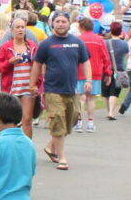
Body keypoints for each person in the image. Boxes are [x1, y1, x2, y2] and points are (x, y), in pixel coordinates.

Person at [29, 11, 89, 169]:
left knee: (72, 120)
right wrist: (33, 84)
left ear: (69, 23)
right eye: (58, 21)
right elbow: (37, 64)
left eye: (64, 21)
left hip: (72, 89)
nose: (61, 24)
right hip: (52, 90)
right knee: (58, 121)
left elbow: (86, 62)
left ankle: (50, 147)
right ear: (52, 23)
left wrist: (89, 80)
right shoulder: (46, 44)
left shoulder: (77, 42)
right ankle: (61, 157)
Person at [0, 15, 37, 139]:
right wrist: (9, 62)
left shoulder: (32, 46)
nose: (20, 30)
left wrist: (37, 84)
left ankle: (27, 148)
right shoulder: (6, 47)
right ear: (12, 31)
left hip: (27, 88)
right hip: (11, 88)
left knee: (27, 119)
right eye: (17, 27)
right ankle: (11, 145)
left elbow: (39, 65)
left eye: (23, 27)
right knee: (11, 121)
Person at [74, 17, 111, 133]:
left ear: (82, 27)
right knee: (91, 98)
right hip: (95, 72)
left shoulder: (78, 40)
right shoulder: (99, 40)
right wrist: (108, 72)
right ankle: (90, 123)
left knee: (80, 97)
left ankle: (79, 123)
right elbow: (106, 57)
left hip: (80, 71)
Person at [104, 22, 129, 120]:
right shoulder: (124, 44)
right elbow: (126, 57)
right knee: (114, 93)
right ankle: (111, 112)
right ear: (120, 31)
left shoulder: (105, 43)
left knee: (106, 93)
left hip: (106, 70)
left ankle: (108, 111)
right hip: (119, 70)